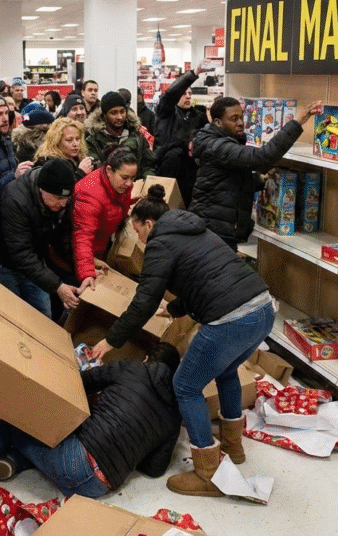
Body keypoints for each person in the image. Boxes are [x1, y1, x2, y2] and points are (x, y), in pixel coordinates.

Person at [88, 185, 276, 497]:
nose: (138, 239)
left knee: (185, 386)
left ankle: (207, 473)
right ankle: (233, 446)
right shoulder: (194, 228)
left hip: (230, 319)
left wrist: (111, 340)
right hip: (262, 308)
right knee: (226, 371)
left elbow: (144, 299)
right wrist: (174, 308)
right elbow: (204, 279)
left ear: (149, 224)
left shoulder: (160, 242)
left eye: (137, 231)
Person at [0, 343, 182, 498]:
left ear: (147, 359)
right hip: (97, 488)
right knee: (50, 444)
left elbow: (83, 382)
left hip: (76, 463)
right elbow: (155, 469)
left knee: (18, 424)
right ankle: (13, 462)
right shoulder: (175, 415)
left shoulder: (134, 368)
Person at [189, 97, 321, 250]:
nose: (240, 122)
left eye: (241, 117)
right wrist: (297, 122)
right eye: (233, 119)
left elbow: (227, 181)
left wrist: (259, 179)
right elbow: (262, 157)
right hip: (214, 228)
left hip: (218, 224)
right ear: (218, 122)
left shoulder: (221, 141)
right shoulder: (219, 146)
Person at [0, 159, 82, 318]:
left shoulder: (62, 197)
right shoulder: (15, 200)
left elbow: (63, 238)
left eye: (66, 198)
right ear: (42, 189)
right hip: (1, 264)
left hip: (33, 262)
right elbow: (20, 254)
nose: (62, 203)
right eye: (57, 197)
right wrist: (58, 286)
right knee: (13, 318)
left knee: (43, 316)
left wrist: (82, 265)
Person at [71, 144, 138, 287]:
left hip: (103, 246)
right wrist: (87, 273)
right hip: (81, 255)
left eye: (133, 178)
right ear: (109, 171)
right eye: (125, 177)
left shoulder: (121, 186)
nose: (130, 183)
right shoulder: (89, 195)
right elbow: (82, 237)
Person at [154, 62, 210, 207]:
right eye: (184, 93)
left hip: (190, 175)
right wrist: (193, 74)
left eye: (190, 93)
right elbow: (170, 94)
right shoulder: (166, 113)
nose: (187, 97)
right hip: (168, 170)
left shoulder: (199, 117)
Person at [85, 91, 155, 179]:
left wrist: (148, 183)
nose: (120, 117)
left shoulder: (137, 137)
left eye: (122, 111)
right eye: (113, 113)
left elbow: (148, 165)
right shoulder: (93, 141)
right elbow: (96, 171)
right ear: (104, 116)